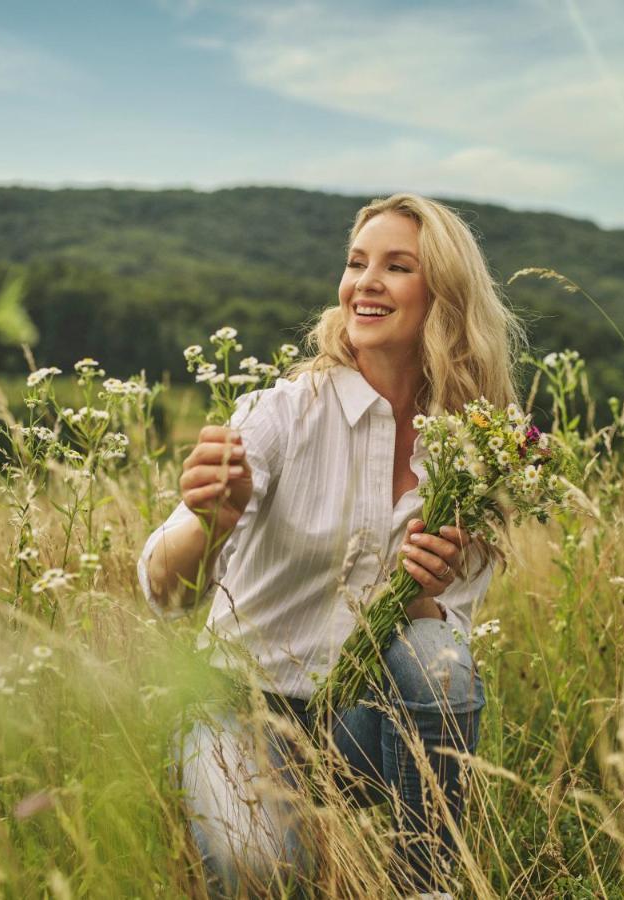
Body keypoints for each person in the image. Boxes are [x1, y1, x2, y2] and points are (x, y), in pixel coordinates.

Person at [137, 193, 524, 897]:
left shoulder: (471, 454)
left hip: (358, 727)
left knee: (440, 662)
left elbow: (448, 668)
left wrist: (429, 600)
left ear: (443, 296)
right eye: (356, 263)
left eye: (397, 266)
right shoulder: (282, 413)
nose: (365, 282)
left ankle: (425, 884)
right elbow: (161, 588)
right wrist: (209, 521)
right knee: (263, 868)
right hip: (237, 711)